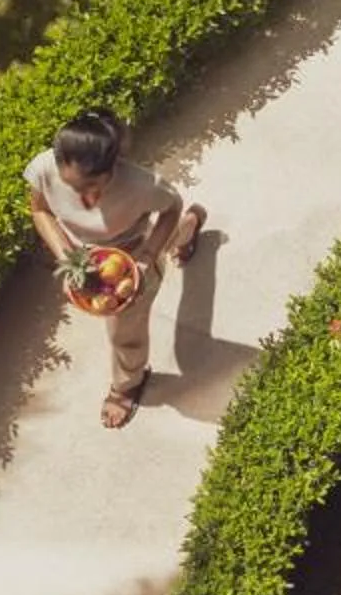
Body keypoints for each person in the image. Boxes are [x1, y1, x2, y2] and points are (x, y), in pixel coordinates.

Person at [25, 108, 207, 428]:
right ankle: (191, 225)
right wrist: (69, 260)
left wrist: (147, 256)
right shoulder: (43, 168)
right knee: (174, 236)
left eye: (93, 186)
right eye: (72, 188)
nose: (84, 199)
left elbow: (170, 206)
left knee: (126, 331)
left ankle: (127, 385)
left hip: (135, 248)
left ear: (113, 168)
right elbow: (40, 211)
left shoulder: (142, 185)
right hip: (88, 253)